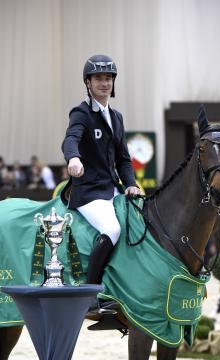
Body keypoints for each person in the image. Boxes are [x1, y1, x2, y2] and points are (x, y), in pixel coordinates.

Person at [61, 54, 142, 310]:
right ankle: (89, 294)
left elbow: (124, 159)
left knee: (139, 224)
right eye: (98, 78)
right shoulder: (81, 113)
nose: (104, 83)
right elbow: (71, 139)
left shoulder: (116, 117)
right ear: (88, 82)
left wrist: (131, 183)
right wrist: (73, 157)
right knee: (112, 230)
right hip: (88, 193)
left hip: (112, 191)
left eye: (108, 78)